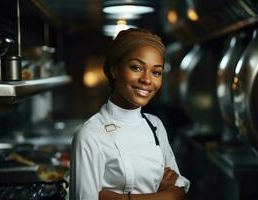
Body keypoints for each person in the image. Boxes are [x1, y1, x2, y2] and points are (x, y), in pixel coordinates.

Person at [69, 28, 190, 200]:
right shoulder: (90, 135)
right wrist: (164, 196)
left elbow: (179, 190)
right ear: (114, 70)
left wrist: (117, 198)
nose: (147, 80)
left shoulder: (154, 125)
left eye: (156, 72)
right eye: (136, 67)